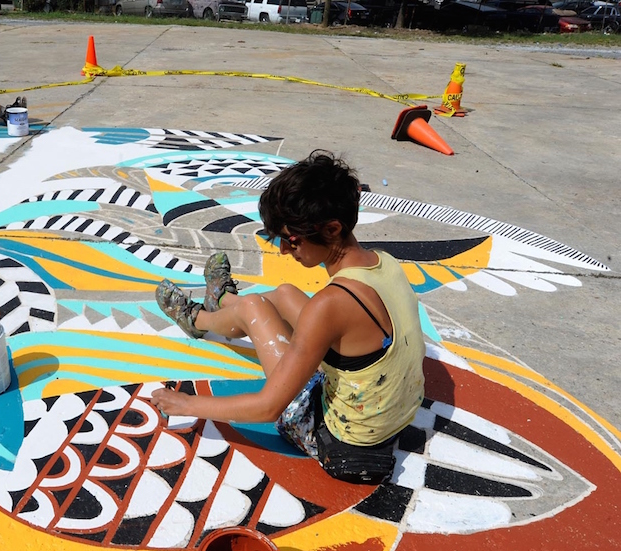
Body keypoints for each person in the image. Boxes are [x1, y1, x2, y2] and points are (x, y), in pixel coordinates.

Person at [150, 150, 425, 482]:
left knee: (255, 308)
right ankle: (222, 300)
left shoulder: (332, 304)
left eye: (290, 240)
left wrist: (185, 404)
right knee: (285, 293)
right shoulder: (382, 262)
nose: (282, 249)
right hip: (387, 419)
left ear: (333, 228)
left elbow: (268, 408)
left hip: (343, 446)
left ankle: (199, 320)